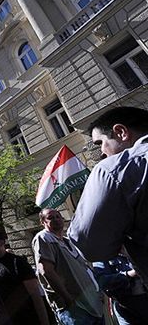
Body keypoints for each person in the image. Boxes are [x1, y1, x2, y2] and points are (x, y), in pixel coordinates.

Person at [69, 107, 148, 283]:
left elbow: (89, 245)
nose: (102, 153)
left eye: (100, 143)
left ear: (121, 132)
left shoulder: (113, 169)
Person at [32, 209, 103, 325]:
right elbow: (47, 271)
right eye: (51, 218)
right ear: (43, 222)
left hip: (91, 304)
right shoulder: (44, 238)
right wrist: (68, 299)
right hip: (74, 309)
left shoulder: (68, 241)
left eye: (58, 216)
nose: (56, 219)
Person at [0, 230, 50, 325]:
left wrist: (45, 322)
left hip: (28, 318)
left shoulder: (18, 262)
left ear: (2, 242)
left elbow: (35, 295)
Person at [93, 251, 148, 325]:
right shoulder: (101, 256)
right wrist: (129, 274)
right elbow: (103, 281)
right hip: (126, 304)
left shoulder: (132, 245)